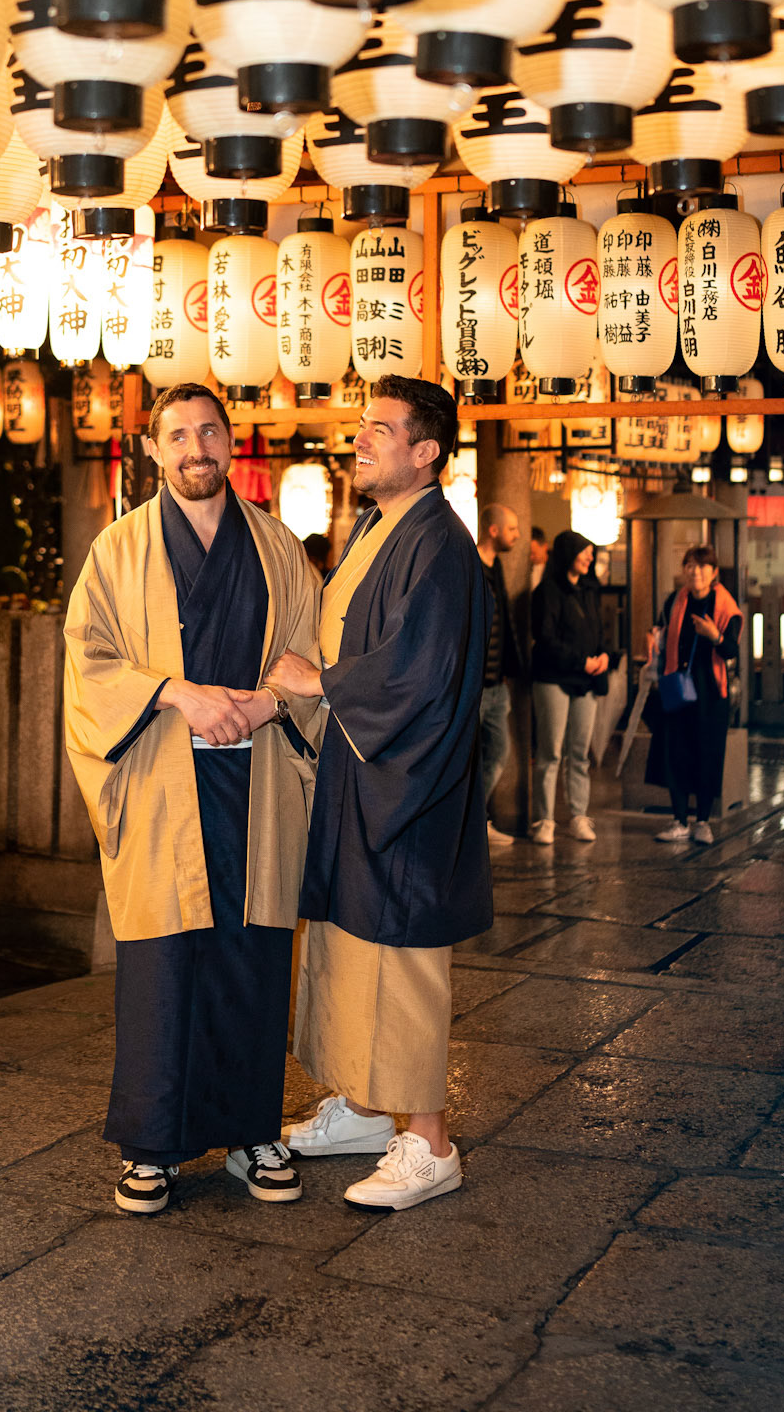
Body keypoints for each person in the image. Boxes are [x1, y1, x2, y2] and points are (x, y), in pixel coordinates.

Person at [63, 383, 321, 1216]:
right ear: (152, 450)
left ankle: (253, 1131)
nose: (194, 448)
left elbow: (313, 659)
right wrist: (177, 692)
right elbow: (88, 664)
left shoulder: (279, 548)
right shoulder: (119, 550)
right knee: (164, 967)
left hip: (258, 784)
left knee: (251, 959)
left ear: (231, 440)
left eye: (208, 431)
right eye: (176, 435)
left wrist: (266, 704)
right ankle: (153, 1148)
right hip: (162, 779)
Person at [266, 377, 492, 1212]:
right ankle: (363, 1108)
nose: (359, 440)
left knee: (398, 954)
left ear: (425, 450)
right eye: (359, 426)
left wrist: (321, 684)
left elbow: (420, 674)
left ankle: (429, 1141)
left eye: (379, 429)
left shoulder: (438, 543)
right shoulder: (377, 526)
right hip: (359, 776)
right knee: (346, 943)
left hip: (406, 782)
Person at [646, 544, 743, 847]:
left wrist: (713, 634)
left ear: (714, 573)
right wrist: (653, 637)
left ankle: (702, 821)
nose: (695, 572)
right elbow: (660, 629)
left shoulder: (727, 606)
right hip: (677, 688)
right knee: (676, 753)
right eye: (690, 566)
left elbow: (731, 649)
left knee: (708, 754)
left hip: (711, 691)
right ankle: (679, 821)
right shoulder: (675, 600)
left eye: (702, 567)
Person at [530, 530, 608, 845]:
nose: (590, 558)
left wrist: (604, 655)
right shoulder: (546, 591)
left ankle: (578, 816)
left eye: (591, 552)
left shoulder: (589, 590)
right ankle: (544, 820)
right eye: (584, 553)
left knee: (579, 753)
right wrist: (581, 661)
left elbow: (599, 630)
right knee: (550, 753)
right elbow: (545, 639)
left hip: (586, 680)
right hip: (553, 678)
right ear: (568, 555)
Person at [477, 502, 524, 846]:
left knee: (498, 752)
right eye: (511, 529)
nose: (517, 536)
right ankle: (474, 824)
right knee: (470, 755)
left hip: (497, 684)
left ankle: (478, 819)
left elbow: (504, 625)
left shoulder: (498, 568)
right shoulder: (472, 567)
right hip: (475, 686)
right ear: (493, 530)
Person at [529, 526, 550, 592]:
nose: (531, 557)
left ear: (545, 547)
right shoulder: (527, 569)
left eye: (534, 553)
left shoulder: (555, 567)